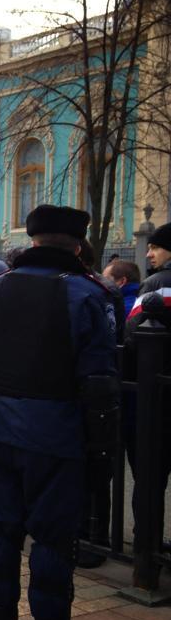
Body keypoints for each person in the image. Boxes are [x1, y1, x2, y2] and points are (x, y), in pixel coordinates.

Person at [0, 205, 116, 620]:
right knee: (52, 543)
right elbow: (99, 381)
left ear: (31, 241)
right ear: (77, 244)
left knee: (0, 535)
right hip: (57, 437)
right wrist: (102, 449)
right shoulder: (87, 294)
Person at [123, 222, 171, 583]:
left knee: (149, 477)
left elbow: (132, 335)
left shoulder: (156, 285)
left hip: (156, 398)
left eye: (155, 248)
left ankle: (147, 554)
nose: (149, 254)